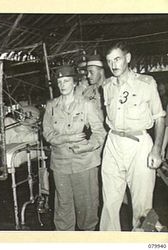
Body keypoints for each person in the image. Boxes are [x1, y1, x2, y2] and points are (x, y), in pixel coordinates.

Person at [100, 41, 166, 231]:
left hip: (139, 145)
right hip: (113, 143)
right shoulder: (106, 86)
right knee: (110, 203)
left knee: (142, 207)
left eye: (118, 59)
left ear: (127, 59)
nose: (114, 65)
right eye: (110, 61)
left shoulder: (146, 83)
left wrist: (157, 150)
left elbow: (159, 118)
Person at [43, 64, 106, 231]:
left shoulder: (86, 104)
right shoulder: (51, 106)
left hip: (84, 163)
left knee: (87, 208)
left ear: (74, 83)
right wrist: (68, 138)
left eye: (67, 81)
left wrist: (88, 147)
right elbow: (48, 134)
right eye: (60, 81)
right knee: (63, 208)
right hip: (60, 164)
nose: (63, 85)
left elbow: (100, 132)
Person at [83, 54, 106, 119]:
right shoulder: (87, 92)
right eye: (87, 72)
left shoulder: (112, 89)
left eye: (91, 72)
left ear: (101, 72)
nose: (88, 76)